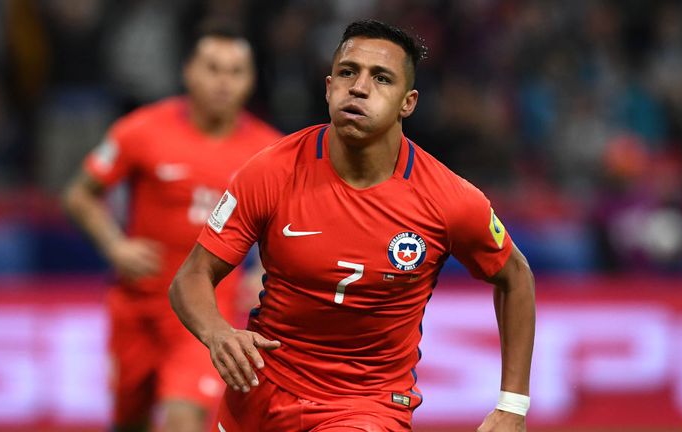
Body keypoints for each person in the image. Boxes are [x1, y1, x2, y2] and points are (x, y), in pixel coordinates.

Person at [170, 19, 535, 432]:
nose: (359, 87)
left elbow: (515, 277)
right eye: (348, 72)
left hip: (368, 404)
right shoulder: (270, 171)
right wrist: (217, 332)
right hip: (260, 394)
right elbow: (191, 276)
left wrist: (513, 404)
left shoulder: (447, 199)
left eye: (381, 78)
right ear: (328, 88)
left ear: (407, 102)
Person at [62, 22, 282, 432]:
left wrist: (264, 271)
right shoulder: (142, 130)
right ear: (189, 72)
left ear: (250, 81)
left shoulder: (270, 152)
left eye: (235, 72)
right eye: (213, 68)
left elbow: (290, 225)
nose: (223, 82)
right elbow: (79, 194)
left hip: (205, 314)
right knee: (130, 422)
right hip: (137, 307)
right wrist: (114, 246)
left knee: (183, 419)